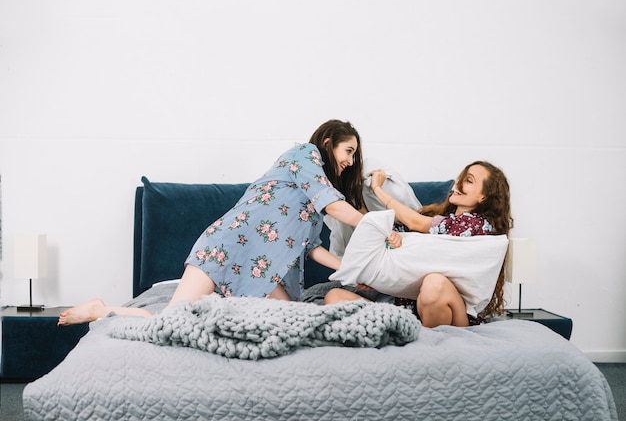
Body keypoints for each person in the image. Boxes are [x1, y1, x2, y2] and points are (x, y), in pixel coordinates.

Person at [58, 119, 402, 325]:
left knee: (293, 319)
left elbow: (310, 248)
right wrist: (378, 227)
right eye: (349, 151)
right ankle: (102, 311)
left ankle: (222, 308)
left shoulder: (314, 197)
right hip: (223, 250)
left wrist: (348, 269)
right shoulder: (305, 155)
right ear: (328, 144)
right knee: (171, 321)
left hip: (258, 267)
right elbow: (335, 207)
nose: (351, 160)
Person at [324, 161, 513, 328]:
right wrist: (375, 275)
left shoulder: (478, 225)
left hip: (450, 309)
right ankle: (408, 331)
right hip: (409, 310)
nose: (458, 184)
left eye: (469, 180)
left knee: (434, 282)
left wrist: (377, 188)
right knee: (335, 297)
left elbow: (415, 222)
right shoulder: (435, 223)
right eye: (461, 178)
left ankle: (426, 345)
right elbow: (386, 239)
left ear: (484, 197)